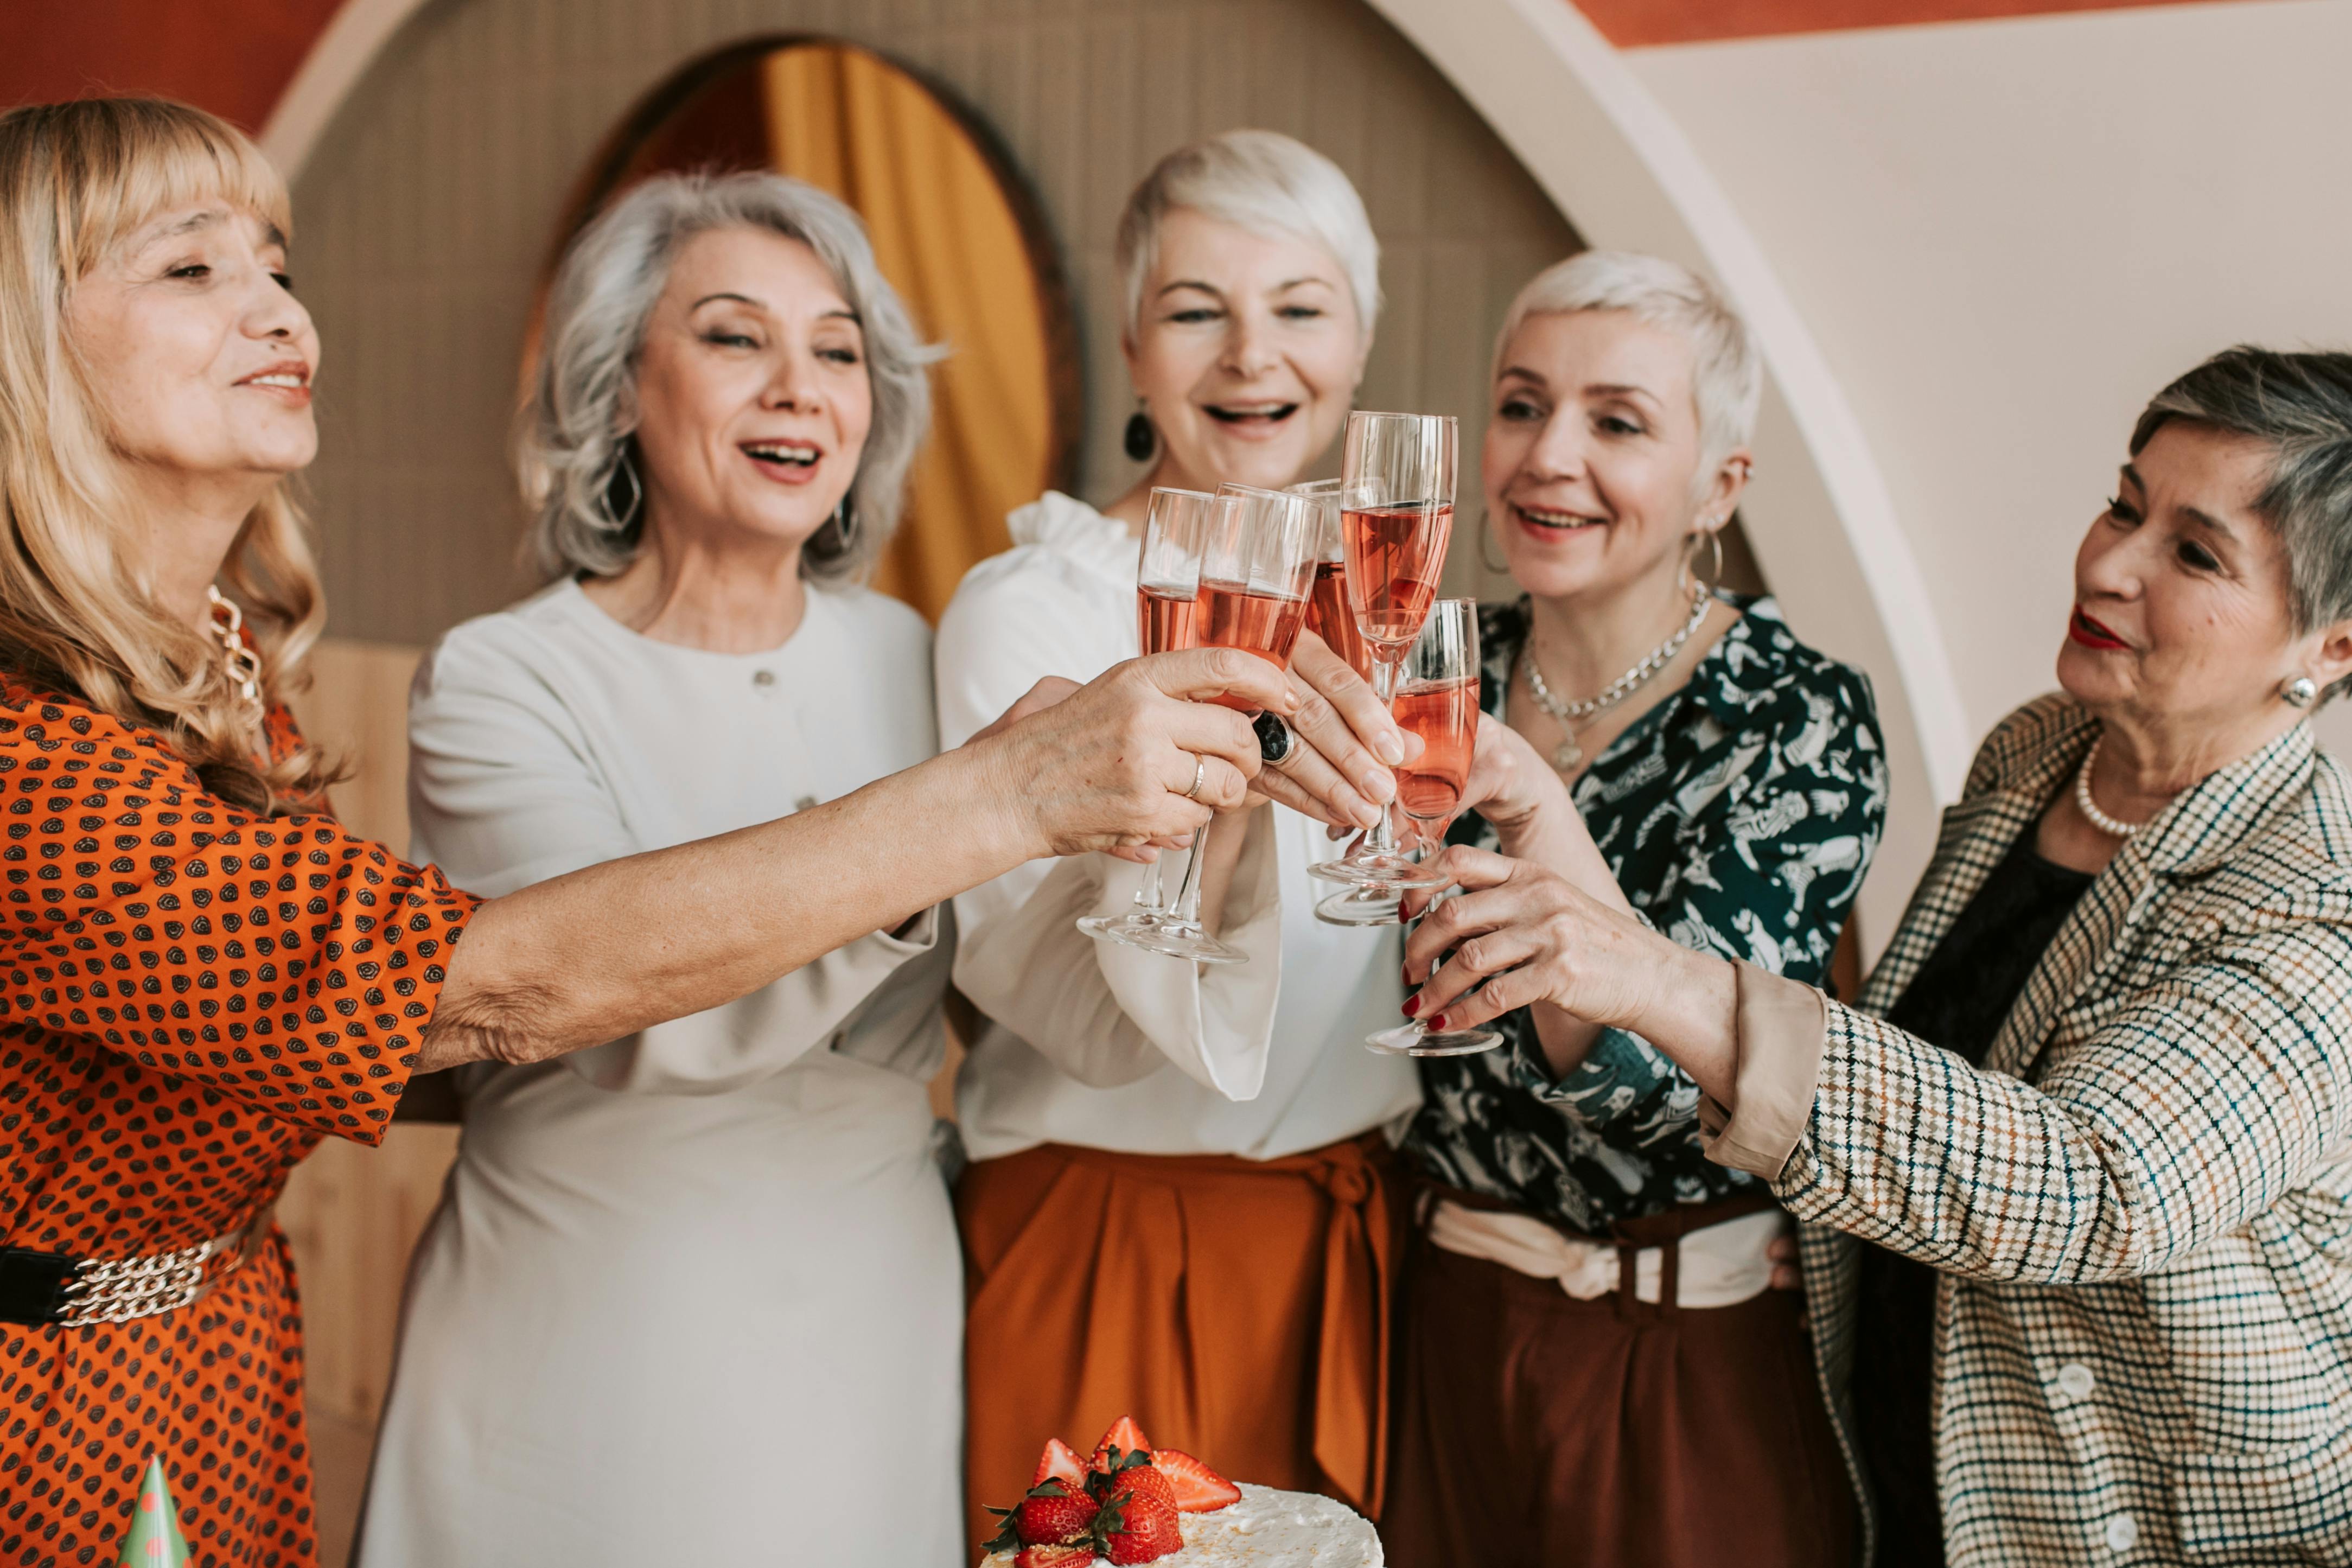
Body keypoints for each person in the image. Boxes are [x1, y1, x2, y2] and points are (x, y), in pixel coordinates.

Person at [0, 98, 1296, 1568]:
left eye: (840, 348)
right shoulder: (484, 675)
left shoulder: (230, 677)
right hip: (518, 1329)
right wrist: (996, 794)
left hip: (835, 1313)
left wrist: (1220, 842)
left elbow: (268, 1022)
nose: (282, 306)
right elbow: (512, 992)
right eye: (737, 336)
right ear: (621, 386)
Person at [1401, 345, 2352, 1566]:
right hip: (1897, 1467)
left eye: (2193, 553)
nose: (2108, 562)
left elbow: (2079, 1183)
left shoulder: (2314, 906)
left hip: (2137, 1521)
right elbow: (1927, 1065)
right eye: (2124, 504)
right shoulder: (2038, 754)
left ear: (2328, 645)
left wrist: (1655, 975)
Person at [935, 130, 1419, 1548]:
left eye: (1300, 307)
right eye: (1198, 309)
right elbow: (1036, 992)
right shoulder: (1030, 611)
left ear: (1361, 338)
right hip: (1103, 1236)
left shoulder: (1402, 612)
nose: (1249, 355)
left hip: (1342, 1245)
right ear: (1137, 348)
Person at [1379, 252, 1885, 1568]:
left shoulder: (1797, 716)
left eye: (1615, 421)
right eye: (1518, 404)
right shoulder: (1436, 660)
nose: (1548, 456)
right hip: (1433, 1324)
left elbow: (1676, 1082)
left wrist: (1535, 808)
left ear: (1720, 482)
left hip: (1678, 1355)